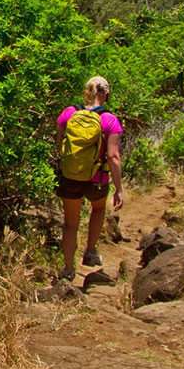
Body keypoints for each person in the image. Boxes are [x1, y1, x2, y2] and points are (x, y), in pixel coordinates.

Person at [55, 75, 123, 280]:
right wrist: (119, 188)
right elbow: (112, 156)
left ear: (87, 90)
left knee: (70, 223)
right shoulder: (110, 120)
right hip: (97, 178)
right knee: (99, 208)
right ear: (106, 94)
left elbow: (59, 144)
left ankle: (68, 270)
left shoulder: (69, 113)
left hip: (70, 177)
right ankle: (90, 252)